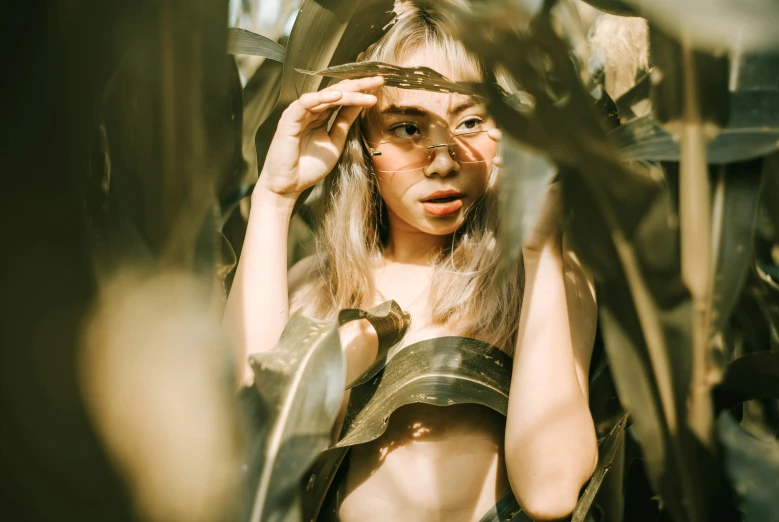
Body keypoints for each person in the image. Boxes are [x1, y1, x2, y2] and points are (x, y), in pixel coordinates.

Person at [223, 2, 599, 520]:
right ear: (360, 140)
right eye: (406, 128)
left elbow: (550, 491)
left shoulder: (534, 279)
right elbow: (245, 447)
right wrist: (275, 196)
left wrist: (540, 251)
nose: (443, 161)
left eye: (470, 121)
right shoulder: (316, 287)